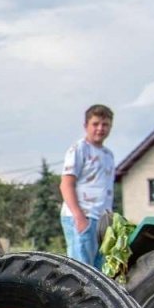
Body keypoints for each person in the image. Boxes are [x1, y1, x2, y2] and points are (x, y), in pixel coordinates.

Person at [60, 104, 115, 268]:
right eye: (95, 124)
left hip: (102, 219)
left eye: (105, 125)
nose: (100, 129)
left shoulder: (108, 154)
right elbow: (66, 184)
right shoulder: (79, 149)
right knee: (82, 270)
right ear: (86, 126)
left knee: (99, 271)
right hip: (84, 214)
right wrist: (78, 216)